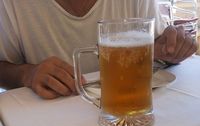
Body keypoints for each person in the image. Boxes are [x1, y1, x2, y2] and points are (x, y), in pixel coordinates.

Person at [0, 0, 197, 99]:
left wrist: (170, 50)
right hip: (44, 122)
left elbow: (158, 50)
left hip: (133, 115)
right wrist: (27, 74)